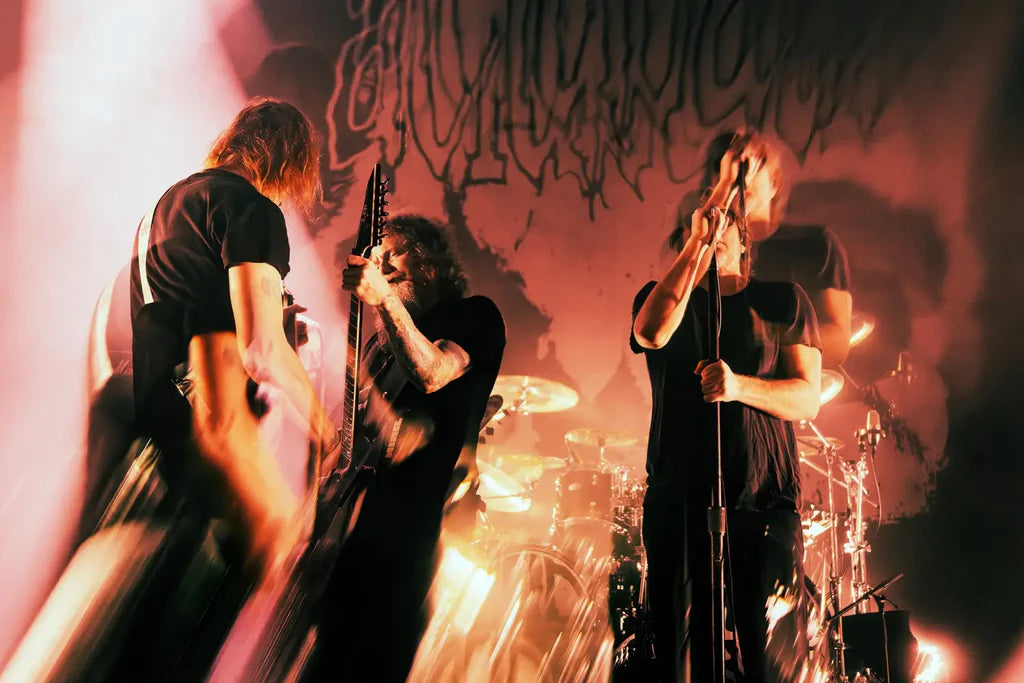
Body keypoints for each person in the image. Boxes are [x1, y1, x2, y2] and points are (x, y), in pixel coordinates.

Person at [127, 98, 336, 676]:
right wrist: (326, 429)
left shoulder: (165, 205)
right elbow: (261, 350)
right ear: (288, 160)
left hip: (155, 451)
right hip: (215, 458)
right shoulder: (252, 210)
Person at [631, 131, 822, 681]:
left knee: (764, 665)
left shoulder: (783, 301)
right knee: (679, 662)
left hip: (762, 503)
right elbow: (651, 333)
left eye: (719, 227)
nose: (710, 230)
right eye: (697, 228)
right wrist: (697, 244)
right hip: (678, 504)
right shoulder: (661, 298)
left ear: (742, 238)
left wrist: (739, 387)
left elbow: (807, 396)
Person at [305, 214, 506, 682]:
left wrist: (384, 297)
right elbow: (357, 437)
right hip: (354, 536)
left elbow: (432, 373)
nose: (383, 265)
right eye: (377, 259)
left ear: (431, 262)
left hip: (415, 533)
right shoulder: (381, 345)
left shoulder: (475, 315)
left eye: (393, 254)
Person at [674, 132, 852, 368]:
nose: (740, 177)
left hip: (791, 385)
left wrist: (765, 332)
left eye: (751, 165)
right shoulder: (708, 248)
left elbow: (839, 344)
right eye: (725, 167)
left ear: (774, 183)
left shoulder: (815, 244)